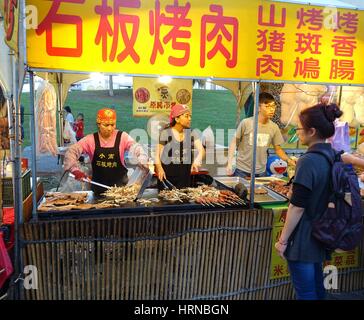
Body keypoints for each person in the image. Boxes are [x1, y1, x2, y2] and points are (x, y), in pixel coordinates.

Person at [274, 103, 343, 300]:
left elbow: (297, 206)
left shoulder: (308, 160)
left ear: (311, 131)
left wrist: (283, 240)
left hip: (304, 238)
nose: (297, 131)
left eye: (299, 128)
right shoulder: (332, 155)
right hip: (322, 234)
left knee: (305, 293)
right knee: (317, 289)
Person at [64, 108, 148, 197]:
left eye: (112, 125)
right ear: (99, 124)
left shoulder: (122, 137)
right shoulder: (90, 139)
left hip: (121, 192)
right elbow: (71, 152)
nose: (109, 128)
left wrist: (142, 160)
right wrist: (75, 170)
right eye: (106, 125)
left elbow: (137, 148)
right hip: (98, 191)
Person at [226, 92, 295, 178]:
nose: (271, 109)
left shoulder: (274, 127)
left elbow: (278, 149)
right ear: (258, 107)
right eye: (267, 106)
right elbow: (233, 143)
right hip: (242, 170)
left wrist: (289, 160)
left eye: (273, 106)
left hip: (261, 172)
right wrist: (229, 163)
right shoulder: (246, 123)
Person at [154, 104, 205, 189]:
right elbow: (157, 155)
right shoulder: (165, 133)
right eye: (186, 116)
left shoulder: (192, 133)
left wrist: (197, 160)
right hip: (166, 178)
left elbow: (202, 151)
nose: (190, 119)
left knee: (184, 199)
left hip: (184, 178)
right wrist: (159, 168)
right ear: (177, 119)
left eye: (190, 116)